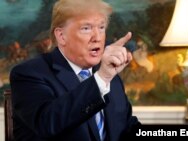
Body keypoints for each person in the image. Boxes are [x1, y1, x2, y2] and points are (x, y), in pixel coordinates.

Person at [9, 0, 141, 140]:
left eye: (101, 27)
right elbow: (48, 123)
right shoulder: (29, 74)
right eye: (86, 28)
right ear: (61, 36)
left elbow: (127, 127)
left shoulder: (109, 76)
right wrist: (102, 79)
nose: (97, 38)